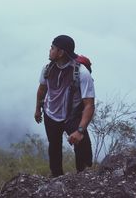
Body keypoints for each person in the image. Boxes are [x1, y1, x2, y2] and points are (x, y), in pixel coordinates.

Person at [34, 35, 95, 177]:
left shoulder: (81, 73)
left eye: (52, 48)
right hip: (50, 115)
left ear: (60, 52)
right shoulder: (47, 69)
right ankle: (56, 177)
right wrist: (38, 109)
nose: (50, 50)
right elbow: (42, 89)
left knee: (82, 147)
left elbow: (89, 105)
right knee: (54, 147)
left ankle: (83, 176)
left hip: (72, 117)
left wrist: (80, 130)